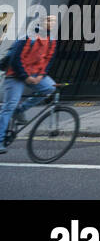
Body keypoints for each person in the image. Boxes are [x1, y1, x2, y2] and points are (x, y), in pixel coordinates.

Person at [0, 14, 59, 154]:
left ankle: (20, 110)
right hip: (15, 75)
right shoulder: (27, 37)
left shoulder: (51, 40)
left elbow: (48, 60)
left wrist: (40, 75)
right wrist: (25, 77)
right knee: (9, 106)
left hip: (35, 74)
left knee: (50, 88)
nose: (52, 23)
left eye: (54, 21)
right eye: (49, 20)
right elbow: (15, 59)